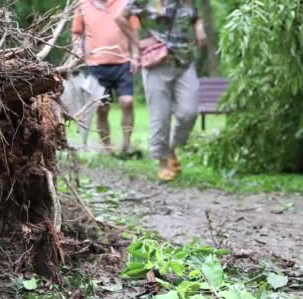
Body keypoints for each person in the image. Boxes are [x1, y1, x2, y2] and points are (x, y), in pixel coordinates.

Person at [116, 0, 206, 181]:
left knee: (189, 113)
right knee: (161, 115)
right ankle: (163, 161)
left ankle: (171, 147)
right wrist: (137, 42)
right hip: (157, 62)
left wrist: (199, 28)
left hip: (184, 61)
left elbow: (195, 16)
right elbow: (120, 18)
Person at [71, 0, 141, 154]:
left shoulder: (124, 3)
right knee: (102, 108)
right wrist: (77, 52)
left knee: (127, 101)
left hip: (123, 61)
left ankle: (126, 145)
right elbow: (76, 33)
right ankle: (107, 147)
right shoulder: (82, 4)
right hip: (95, 64)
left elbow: (134, 30)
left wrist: (135, 56)